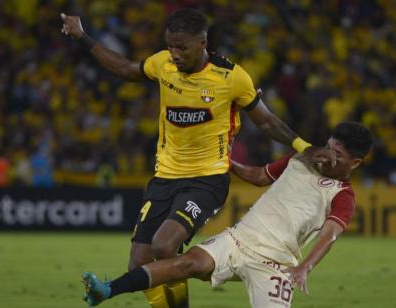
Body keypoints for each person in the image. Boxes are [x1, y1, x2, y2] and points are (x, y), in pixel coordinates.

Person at [60, 8, 322, 308]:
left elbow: (266, 121)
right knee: (139, 263)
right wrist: (82, 37)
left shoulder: (231, 77)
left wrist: (303, 145)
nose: (174, 54)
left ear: (202, 43)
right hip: (164, 177)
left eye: (181, 47)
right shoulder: (162, 64)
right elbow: (125, 69)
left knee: (164, 244)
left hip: (206, 180)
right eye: (170, 45)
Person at [80, 121, 374, 307]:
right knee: (185, 263)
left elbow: (330, 234)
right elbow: (260, 175)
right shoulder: (300, 159)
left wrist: (305, 267)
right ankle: (106, 291)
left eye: (338, 155)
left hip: (277, 263)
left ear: (356, 163)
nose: (328, 156)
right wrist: (229, 163)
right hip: (238, 239)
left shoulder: (342, 195)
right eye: (329, 147)